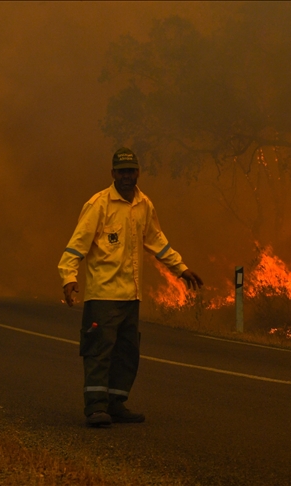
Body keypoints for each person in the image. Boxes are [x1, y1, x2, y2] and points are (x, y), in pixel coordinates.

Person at [58, 147, 203, 427]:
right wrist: (69, 277)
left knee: (126, 353)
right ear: (113, 173)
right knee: (99, 352)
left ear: (138, 172)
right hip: (103, 295)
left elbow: (157, 241)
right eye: (122, 171)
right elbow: (77, 245)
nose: (127, 176)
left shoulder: (144, 204)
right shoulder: (98, 205)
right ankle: (96, 408)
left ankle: (116, 404)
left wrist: (181, 269)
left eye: (131, 171)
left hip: (131, 296)